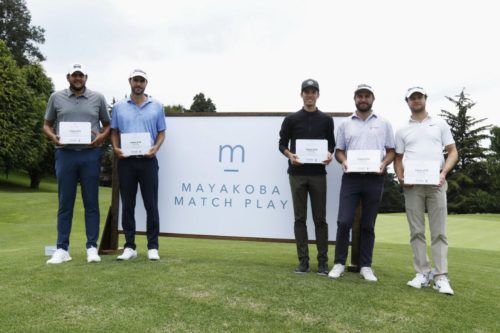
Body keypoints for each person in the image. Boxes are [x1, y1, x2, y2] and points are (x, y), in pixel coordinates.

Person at [43, 63, 110, 264]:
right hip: (65, 155)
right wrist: (53, 137)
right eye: (74, 75)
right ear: (68, 77)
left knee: (91, 202)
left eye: (81, 75)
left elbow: (107, 125)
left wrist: (101, 137)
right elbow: (46, 125)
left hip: (90, 154)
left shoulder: (98, 98)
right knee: (65, 203)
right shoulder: (56, 97)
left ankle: (91, 247)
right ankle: (62, 249)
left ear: (86, 77)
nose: (78, 78)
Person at [394, 86, 458, 295]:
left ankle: (440, 276)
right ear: (408, 102)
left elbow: (452, 152)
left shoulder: (439, 124)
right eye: (412, 98)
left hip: (436, 182)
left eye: (419, 97)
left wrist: (444, 173)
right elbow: (398, 158)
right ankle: (422, 273)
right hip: (413, 186)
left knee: (439, 232)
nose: (416, 100)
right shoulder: (402, 129)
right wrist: (401, 178)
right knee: (416, 232)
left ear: (425, 99)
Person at [328, 84, 395, 282]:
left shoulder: (384, 123)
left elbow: (391, 150)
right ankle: (339, 263)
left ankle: (366, 266)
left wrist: (384, 163)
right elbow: (339, 150)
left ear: (373, 98)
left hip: (375, 178)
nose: (363, 99)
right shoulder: (345, 124)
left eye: (367, 96)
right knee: (344, 221)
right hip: (352, 178)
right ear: (355, 99)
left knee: (368, 224)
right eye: (360, 96)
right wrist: (344, 160)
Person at [278, 79, 335, 275]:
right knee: (299, 218)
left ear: (318, 95)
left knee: (320, 219)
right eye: (306, 92)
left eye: (313, 92)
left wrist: (329, 155)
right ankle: (303, 261)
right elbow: (282, 144)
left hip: (318, 174)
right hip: (297, 175)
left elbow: (331, 145)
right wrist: (290, 155)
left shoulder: (327, 120)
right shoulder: (291, 119)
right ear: (301, 94)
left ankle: (322, 263)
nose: (309, 95)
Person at [111, 69, 166, 261]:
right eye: (136, 80)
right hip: (126, 162)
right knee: (128, 205)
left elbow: (161, 133)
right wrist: (115, 148)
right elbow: (114, 131)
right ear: (130, 81)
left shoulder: (157, 106)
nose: (138, 84)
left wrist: (156, 148)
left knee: (151, 204)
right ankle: (129, 246)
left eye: (142, 81)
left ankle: (153, 246)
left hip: (148, 161)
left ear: (146, 83)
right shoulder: (118, 107)